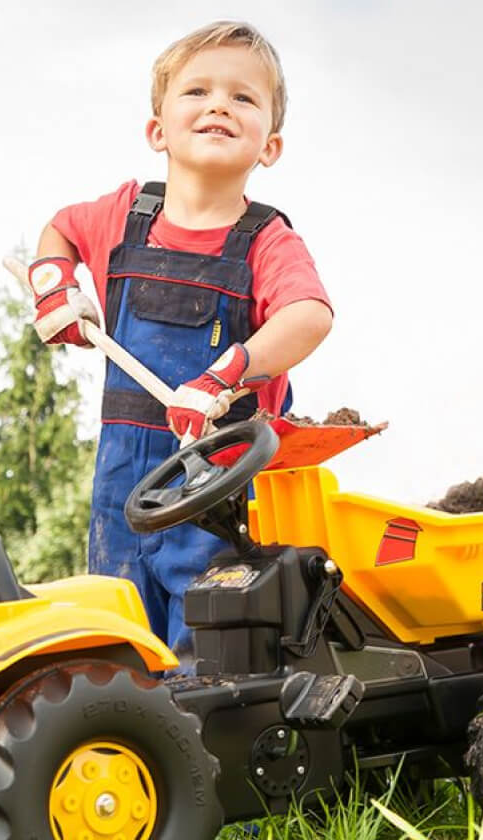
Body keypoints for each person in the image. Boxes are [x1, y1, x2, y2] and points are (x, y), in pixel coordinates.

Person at [25, 21, 333, 664]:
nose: (220, 104)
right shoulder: (122, 216)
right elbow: (60, 230)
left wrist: (227, 374)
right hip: (121, 494)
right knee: (116, 641)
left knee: (208, 653)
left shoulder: (267, 241)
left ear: (270, 145)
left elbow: (308, 315)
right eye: (197, 90)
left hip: (219, 494)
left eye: (244, 98)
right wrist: (54, 285)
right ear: (157, 130)